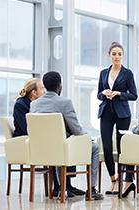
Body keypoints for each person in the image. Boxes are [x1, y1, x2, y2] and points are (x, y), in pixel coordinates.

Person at [30, 71, 104, 200]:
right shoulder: (65, 103)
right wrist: (86, 136)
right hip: (60, 148)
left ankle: (60, 189)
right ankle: (92, 189)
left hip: (41, 149)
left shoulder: (34, 104)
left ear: (45, 86)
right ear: (60, 86)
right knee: (95, 148)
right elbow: (76, 130)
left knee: (59, 146)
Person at [97, 42, 138, 194]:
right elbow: (98, 93)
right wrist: (104, 93)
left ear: (122, 56)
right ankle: (113, 180)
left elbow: (134, 95)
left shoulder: (127, 73)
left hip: (122, 114)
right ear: (109, 55)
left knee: (122, 148)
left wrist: (119, 94)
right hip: (106, 112)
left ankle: (124, 181)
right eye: (114, 54)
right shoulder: (103, 73)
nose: (117, 57)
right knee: (107, 146)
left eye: (119, 54)